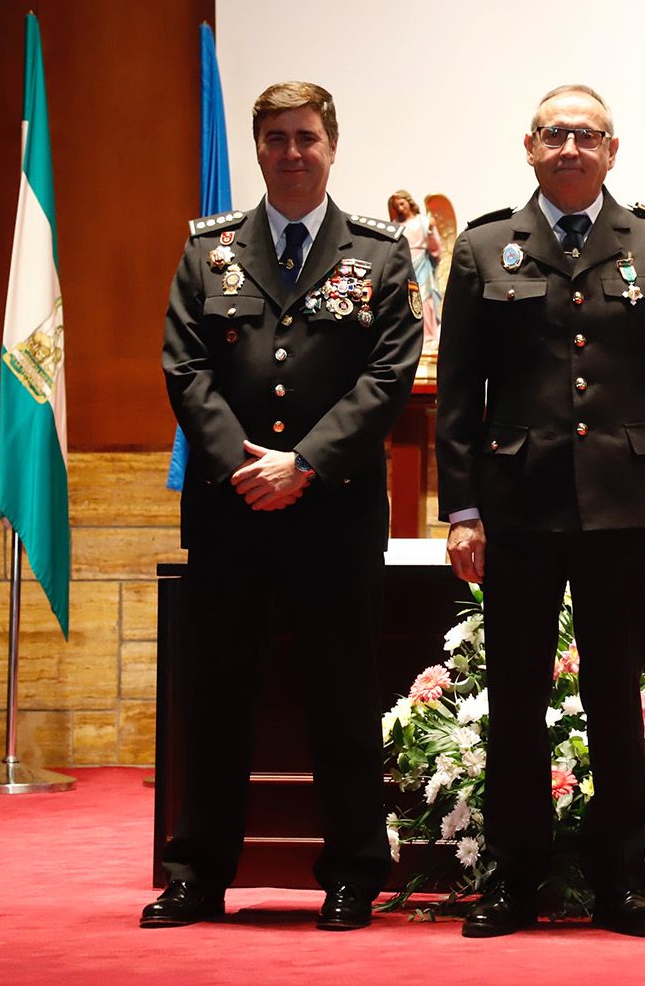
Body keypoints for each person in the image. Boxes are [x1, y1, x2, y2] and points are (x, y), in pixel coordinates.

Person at [152, 81, 423, 930]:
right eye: (275, 137)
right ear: (258, 147)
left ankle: (352, 874)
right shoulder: (211, 250)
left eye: (307, 136)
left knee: (344, 697)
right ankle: (197, 872)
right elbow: (183, 366)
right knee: (217, 697)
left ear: (332, 145)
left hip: (333, 514)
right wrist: (245, 464)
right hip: (232, 512)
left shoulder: (379, 255)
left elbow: (389, 376)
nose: (292, 152)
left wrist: (303, 462)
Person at [435, 84, 645, 939]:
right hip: (515, 510)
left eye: (587, 135)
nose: (571, 148)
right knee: (515, 696)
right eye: (556, 134)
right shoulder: (483, 248)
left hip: (623, 509)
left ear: (612, 150)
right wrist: (463, 508)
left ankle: (619, 877)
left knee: (616, 695)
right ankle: (516, 879)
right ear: (529, 145)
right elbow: (458, 397)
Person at [389, 189, 442, 346]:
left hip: (422, 265)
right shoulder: (394, 226)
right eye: (396, 205)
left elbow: (436, 249)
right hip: (403, 264)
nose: (399, 208)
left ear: (409, 202)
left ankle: (428, 338)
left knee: (425, 301)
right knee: (404, 302)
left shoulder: (422, 221)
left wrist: (431, 231)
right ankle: (410, 340)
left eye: (402, 203)